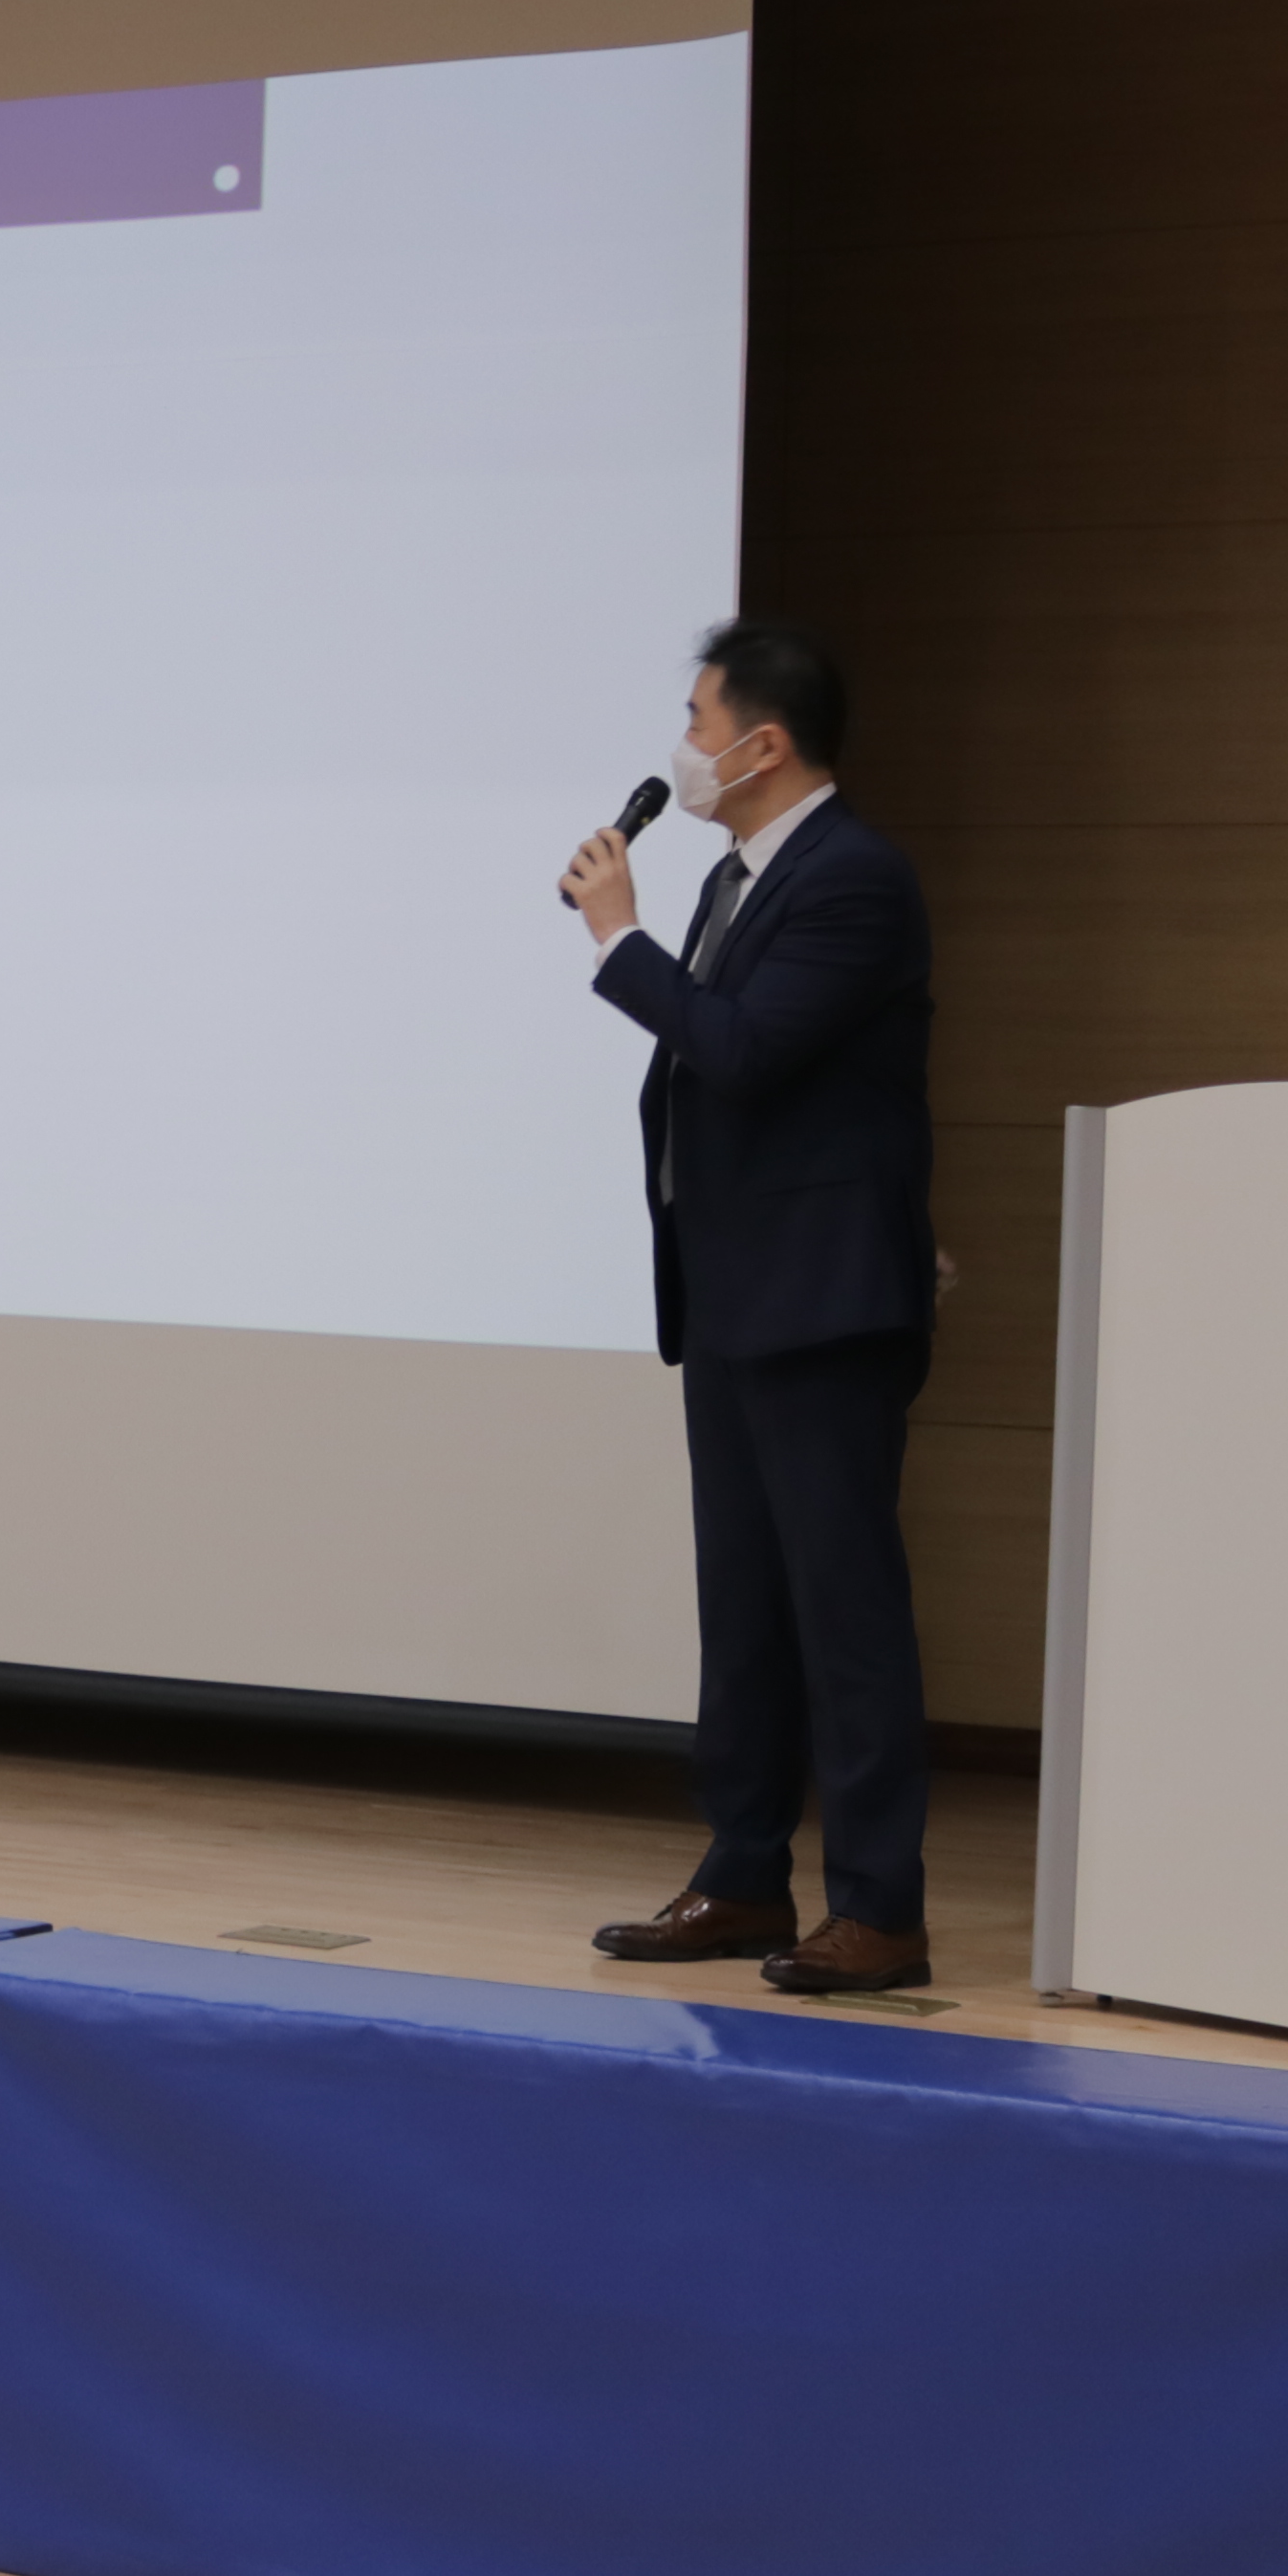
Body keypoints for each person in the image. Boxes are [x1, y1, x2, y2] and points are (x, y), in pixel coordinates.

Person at [553, 619, 943, 1997]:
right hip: (733, 1292)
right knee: (747, 1604)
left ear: (762, 744)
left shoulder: (853, 879)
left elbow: (749, 1051)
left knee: (844, 1609)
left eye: (698, 722)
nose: (685, 747)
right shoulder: (737, 878)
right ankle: (741, 1873)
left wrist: (620, 940)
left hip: (825, 1303)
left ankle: (880, 1907)